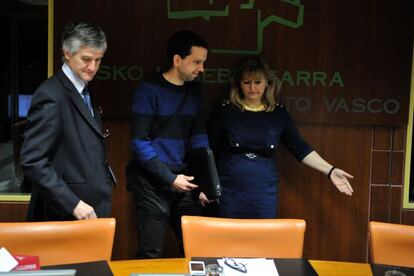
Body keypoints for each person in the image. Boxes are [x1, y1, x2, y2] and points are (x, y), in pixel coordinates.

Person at [208, 57, 353, 219]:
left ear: (267, 83)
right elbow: (207, 151)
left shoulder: (278, 114)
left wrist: (330, 170)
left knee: (263, 240)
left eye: (257, 82)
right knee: (226, 240)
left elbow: (301, 148)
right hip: (229, 193)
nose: (252, 88)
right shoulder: (225, 112)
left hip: (264, 195)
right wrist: (205, 187)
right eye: (246, 82)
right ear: (239, 84)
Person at [20, 20, 115, 221]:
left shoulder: (84, 88)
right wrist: (73, 203)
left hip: (91, 208)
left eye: (98, 60)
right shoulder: (51, 95)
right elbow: (33, 161)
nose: (93, 67)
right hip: (66, 213)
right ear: (67, 54)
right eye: (87, 59)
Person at [130, 30, 210, 258]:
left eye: (203, 62)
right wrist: (169, 178)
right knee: (151, 251)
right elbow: (139, 143)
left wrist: (205, 182)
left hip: (185, 179)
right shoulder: (148, 89)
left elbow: (199, 138)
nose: (201, 69)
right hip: (152, 181)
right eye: (196, 62)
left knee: (196, 248)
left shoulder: (194, 91)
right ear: (177, 60)